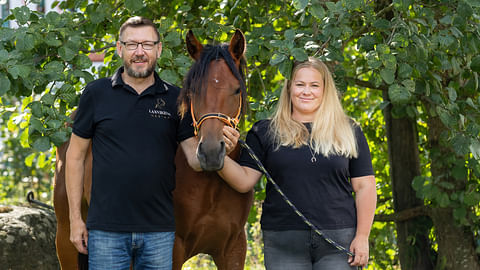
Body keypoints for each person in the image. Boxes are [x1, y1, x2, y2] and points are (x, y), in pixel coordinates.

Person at [65, 16, 235, 269]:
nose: (140, 52)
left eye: (147, 44)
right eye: (132, 45)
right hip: (106, 231)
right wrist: (76, 219)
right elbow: (75, 157)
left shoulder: (177, 99)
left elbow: (193, 158)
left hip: (159, 233)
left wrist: (222, 152)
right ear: (120, 49)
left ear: (159, 49)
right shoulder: (96, 93)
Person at [220, 57, 377, 269]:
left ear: (325, 90)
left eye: (314, 85)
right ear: (289, 88)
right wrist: (217, 156)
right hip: (284, 241)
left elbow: (365, 186)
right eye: (300, 84)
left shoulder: (349, 131)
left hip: (339, 240)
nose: (306, 91)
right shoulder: (265, 131)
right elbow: (244, 181)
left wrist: (362, 237)